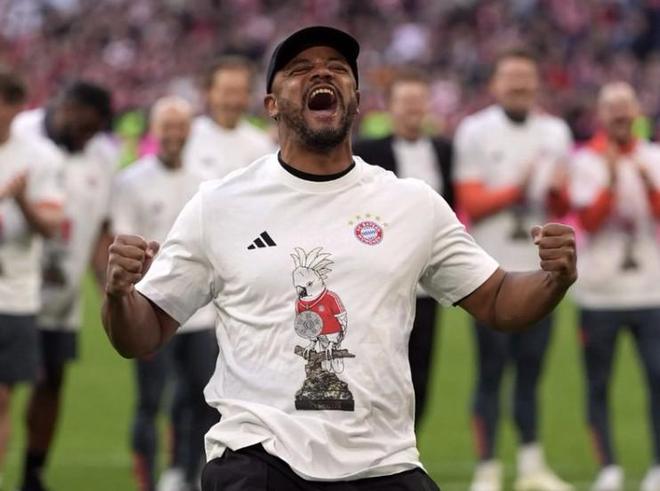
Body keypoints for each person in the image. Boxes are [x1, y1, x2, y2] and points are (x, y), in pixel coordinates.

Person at [101, 26, 577, 491]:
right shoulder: (219, 204)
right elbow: (144, 332)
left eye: (338, 67)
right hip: (258, 458)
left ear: (357, 98)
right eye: (299, 68)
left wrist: (552, 278)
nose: (321, 73)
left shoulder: (411, 203)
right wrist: (120, 295)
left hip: (384, 462)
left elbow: (497, 299)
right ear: (271, 104)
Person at [454, 47, 574, 491]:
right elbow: (471, 202)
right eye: (511, 78)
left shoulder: (555, 131)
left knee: (531, 373)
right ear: (495, 84)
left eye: (526, 78)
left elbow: (561, 206)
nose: (520, 86)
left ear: (537, 84)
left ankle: (530, 466)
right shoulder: (475, 130)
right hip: (491, 274)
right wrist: (516, 188)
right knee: (490, 373)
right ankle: (487, 468)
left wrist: (557, 193)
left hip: (541, 274)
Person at [12, 80, 117, 491]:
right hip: (11, 289)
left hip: (62, 296)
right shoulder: (20, 131)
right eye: (83, 127)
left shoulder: (103, 157)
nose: (86, 136)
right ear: (65, 106)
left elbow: (101, 228)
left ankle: (33, 472)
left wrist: (106, 286)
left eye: (94, 130)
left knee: (52, 382)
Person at [111, 96, 217, 491]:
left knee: (201, 398)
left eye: (180, 126)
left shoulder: (206, 182)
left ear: (190, 131)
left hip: (200, 312)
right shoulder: (131, 181)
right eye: (167, 126)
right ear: (154, 130)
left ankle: (182, 474)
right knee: (150, 401)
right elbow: (123, 241)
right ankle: (149, 480)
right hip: (152, 308)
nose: (174, 134)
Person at [569, 82, 660, 491]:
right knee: (598, 383)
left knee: (657, 379)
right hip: (600, 295)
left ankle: (657, 466)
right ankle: (608, 467)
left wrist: (648, 183)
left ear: (636, 111)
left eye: (626, 106)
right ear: (601, 115)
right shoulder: (585, 161)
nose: (620, 114)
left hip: (651, 291)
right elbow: (589, 222)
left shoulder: (654, 157)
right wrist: (609, 178)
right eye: (612, 108)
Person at [353, 68, 453, 428]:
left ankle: (410, 441)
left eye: (418, 101)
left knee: (420, 368)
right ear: (390, 107)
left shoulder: (443, 151)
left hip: (427, 282)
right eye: (405, 101)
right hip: (381, 281)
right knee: (375, 367)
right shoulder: (367, 151)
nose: (413, 109)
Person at [0, 66, 64, 490]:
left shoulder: (40, 157)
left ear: (15, 106)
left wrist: (22, 200)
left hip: (14, 294)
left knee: (2, 397)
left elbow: (51, 224)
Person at [184, 55, 275, 180]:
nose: (233, 101)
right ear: (208, 93)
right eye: (226, 92)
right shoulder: (188, 136)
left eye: (240, 92)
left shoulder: (261, 144)